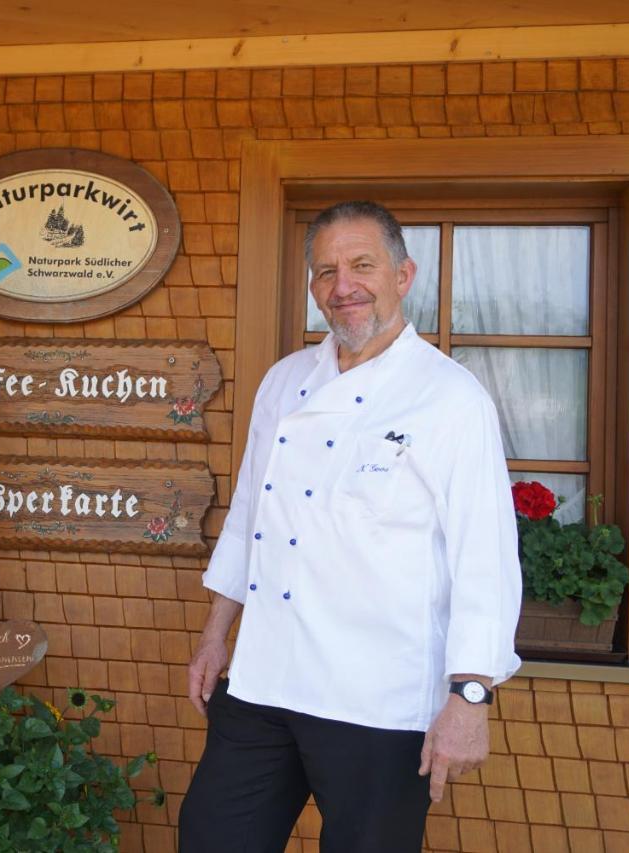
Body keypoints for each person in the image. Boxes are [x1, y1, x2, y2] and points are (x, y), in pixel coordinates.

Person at [178, 201, 521, 853]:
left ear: (403, 275)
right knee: (209, 836)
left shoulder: (450, 399)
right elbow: (251, 517)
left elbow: (486, 561)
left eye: (362, 265)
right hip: (265, 683)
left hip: (380, 699)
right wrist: (214, 636)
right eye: (325, 271)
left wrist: (471, 695)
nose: (343, 286)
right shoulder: (283, 383)